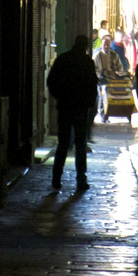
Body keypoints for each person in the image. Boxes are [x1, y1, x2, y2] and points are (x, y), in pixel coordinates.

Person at [46, 35, 98, 193]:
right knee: (80, 144)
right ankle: (81, 179)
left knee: (63, 143)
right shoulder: (88, 62)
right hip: (81, 108)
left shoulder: (63, 59)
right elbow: (92, 85)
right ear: (86, 46)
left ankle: (56, 178)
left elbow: (51, 81)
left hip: (65, 107)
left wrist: (60, 97)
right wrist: (90, 104)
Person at [93, 34, 124, 122]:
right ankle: (103, 116)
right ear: (101, 45)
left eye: (108, 44)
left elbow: (119, 67)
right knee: (102, 97)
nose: (106, 46)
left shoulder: (114, 55)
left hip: (113, 79)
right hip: (102, 79)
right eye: (104, 44)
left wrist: (119, 74)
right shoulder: (97, 56)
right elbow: (94, 69)